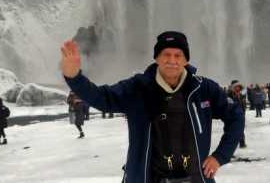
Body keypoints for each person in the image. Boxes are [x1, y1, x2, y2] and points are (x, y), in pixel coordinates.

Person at [61, 31, 244, 182]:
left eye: (178, 55)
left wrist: (220, 156)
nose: (172, 60)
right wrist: (74, 77)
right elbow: (103, 98)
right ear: (156, 58)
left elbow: (235, 115)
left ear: (186, 61)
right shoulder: (137, 88)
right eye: (166, 54)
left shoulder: (204, 89)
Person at [229, 82, 247, 147]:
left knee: (241, 129)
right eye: (236, 86)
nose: (238, 88)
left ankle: (242, 143)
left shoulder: (241, 94)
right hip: (233, 115)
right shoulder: (230, 95)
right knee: (232, 131)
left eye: (239, 86)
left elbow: (242, 104)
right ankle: (230, 145)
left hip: (241, 114)